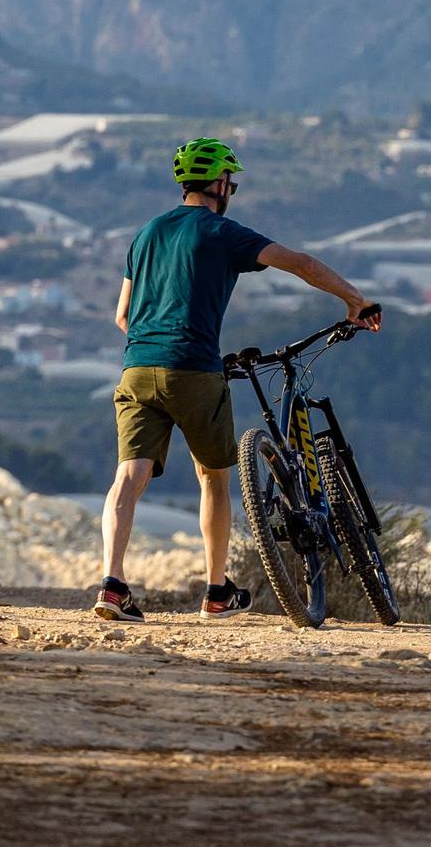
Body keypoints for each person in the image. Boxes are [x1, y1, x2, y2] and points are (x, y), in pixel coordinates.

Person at [96, 137, 381, 624]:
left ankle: (112, 585)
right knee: (213, 478)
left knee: (129, 476)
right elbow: (301, 263)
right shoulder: (220, 231)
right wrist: (354, 299)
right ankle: (215, 592)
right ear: (221, 183)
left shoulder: (145, 234)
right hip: (193, 365)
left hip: (137, 366)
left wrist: (153, 343)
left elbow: (122, 315)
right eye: (232, 180)